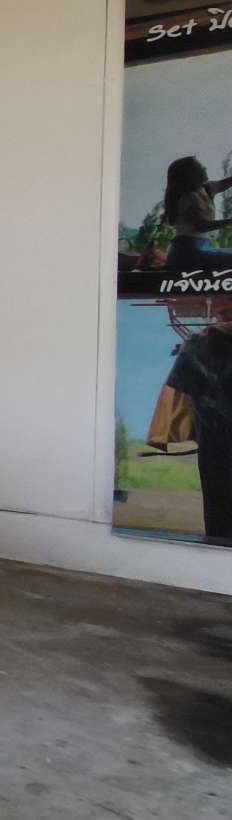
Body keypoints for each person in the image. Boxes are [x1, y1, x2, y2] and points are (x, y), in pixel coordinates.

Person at [166, 296, 232, 541]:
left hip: (214, 444)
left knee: (219, 514)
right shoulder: (197, 345)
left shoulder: (196, 346)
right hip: (214, 444)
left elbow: (178, 385)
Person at [162, 157, 232, 272]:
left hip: (202, 247)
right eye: (200, 167)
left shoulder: (206, 189)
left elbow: (225, 183)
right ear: (190, 175)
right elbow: (202, 226)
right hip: (189, 252)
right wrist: (229, 222)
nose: (205, 168)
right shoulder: (189, 197)